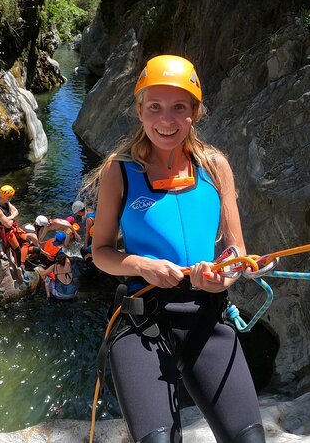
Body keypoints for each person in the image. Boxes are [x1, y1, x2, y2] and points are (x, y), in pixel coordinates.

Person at [85, 55, 264, 442]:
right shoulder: (120, 169)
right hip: (142, 320)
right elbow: (101, 251)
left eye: (179, 107)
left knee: (249, 439)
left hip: (205, 313)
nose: (166, 120)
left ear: (195, 112)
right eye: (155, 107)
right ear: (139, 110)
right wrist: (139, 264)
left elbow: (236, 252)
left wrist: (222, 278)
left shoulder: (215, 167)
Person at [0, 185, 37, 282]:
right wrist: (10, 218)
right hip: (6, 232)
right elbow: (7, 225)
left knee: (26, 240)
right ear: (6, 196)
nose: (11, 198)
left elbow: (16, 211)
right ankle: (19, 268)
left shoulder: (5, 201)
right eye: (10, 197)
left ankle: (22, 262)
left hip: (12, 228)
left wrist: (9, 218)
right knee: (17, 250)